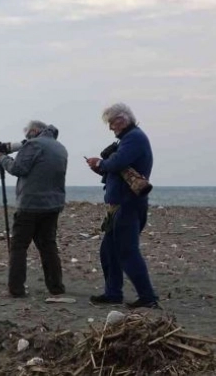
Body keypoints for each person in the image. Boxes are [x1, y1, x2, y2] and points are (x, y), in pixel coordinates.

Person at [85, 103, 159, 309]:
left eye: (112, 122)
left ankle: (147, 297)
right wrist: (102, 167)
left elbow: (117, 162)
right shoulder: (131, 138)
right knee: (108, 251)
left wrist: (100, 163)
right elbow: (118, 167)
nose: (111, 127)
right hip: (120, 204)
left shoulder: (134, 138)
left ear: (123, 119)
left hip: (128, 204)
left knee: (127, 251)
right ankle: (113, 293)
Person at [0, 120, 68, 298]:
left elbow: (18, 168)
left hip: (30, 205)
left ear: (34, 130)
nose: (26, 138)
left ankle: (16, 288)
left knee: (19, 247)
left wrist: (2, 158)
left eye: (27, 133)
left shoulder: (34, 144)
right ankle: (56, 286)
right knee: (48, 246)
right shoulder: (60, 147)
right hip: (53, 204)